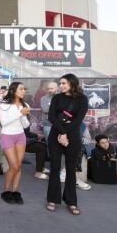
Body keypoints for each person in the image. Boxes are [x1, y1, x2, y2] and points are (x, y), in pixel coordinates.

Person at [46, 73, 89, 215]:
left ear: (72, 83)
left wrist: (64, 132)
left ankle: (71, 202)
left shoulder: (82, 99)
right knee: (55, 167)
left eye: (63, 83)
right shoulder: (57, 97)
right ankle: (52, 199)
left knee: (71, 169)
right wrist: (62, 132)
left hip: (73, 136)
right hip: (56, 136)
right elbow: (51, 116)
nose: (61, 86)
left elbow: (78, 119)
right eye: (60, 83)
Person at [0, 82, 30, 204]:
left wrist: (24, 115)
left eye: (24, 89)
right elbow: (4, 122)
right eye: (21, 89)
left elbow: (26, 125)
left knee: (19, 166)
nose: (24, 91)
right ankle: (6, 191)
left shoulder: (24, 104)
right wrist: (19, 113)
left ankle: (15, 192)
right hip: (7, 136)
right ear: (13, 90)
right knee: (14, 166)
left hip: (20, 136)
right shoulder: (4, 105)